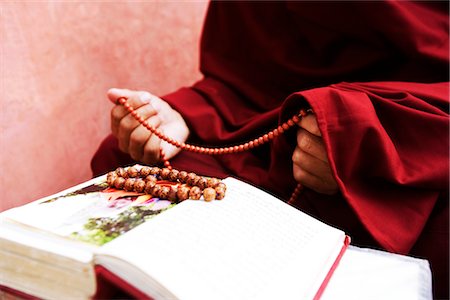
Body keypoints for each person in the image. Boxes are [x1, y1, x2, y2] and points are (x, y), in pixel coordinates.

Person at [91, 1, 449, 298]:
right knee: (128, 159)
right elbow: (244, 76)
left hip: (406, 142)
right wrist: (187, 113)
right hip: (271, 135)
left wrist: (358, 134)